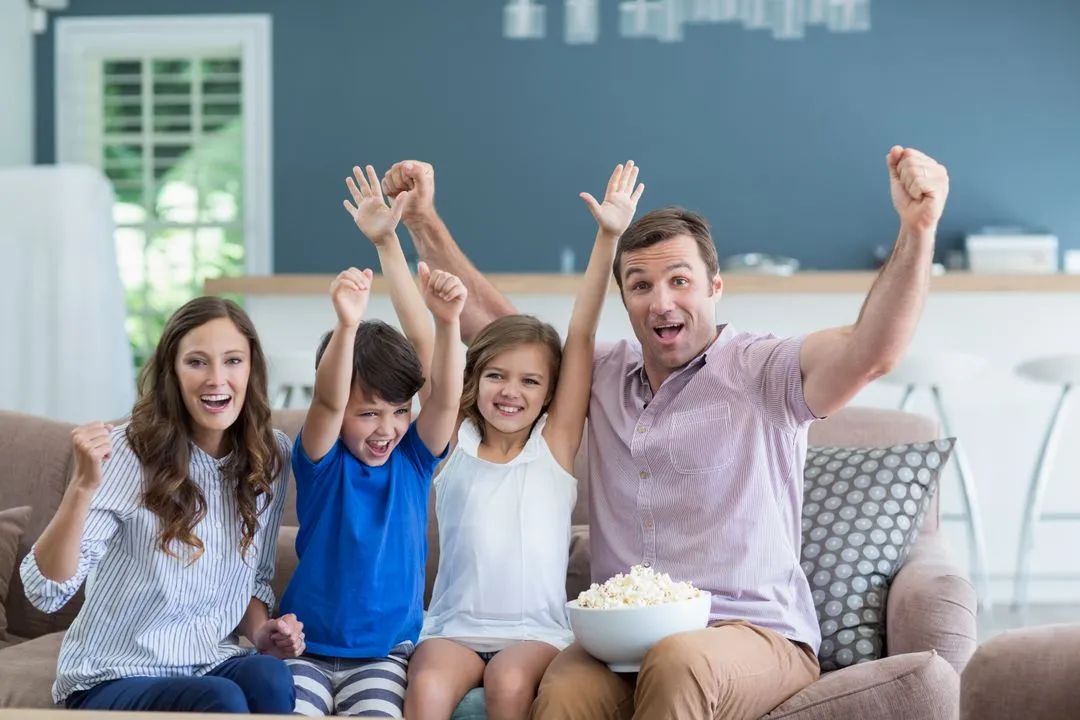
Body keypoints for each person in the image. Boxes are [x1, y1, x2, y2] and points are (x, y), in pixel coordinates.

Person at [380, 146, 950, 719]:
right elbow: (502, 337)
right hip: (618, 640)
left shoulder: (764, 369)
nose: (662, 301)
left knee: (678, 661)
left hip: (750, 634)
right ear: (624, 298)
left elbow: (869, 352)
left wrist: (918, 230)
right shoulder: (604, 376)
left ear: (715, 287)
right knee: (565, 691)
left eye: (680, 280)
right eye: (641, 285)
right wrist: (423, 221)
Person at [405, 162, 645, 720]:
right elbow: (425, 339)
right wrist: (390, 246)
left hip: (535, 633)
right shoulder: (450, 441)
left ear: (549, 394)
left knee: (511, 684)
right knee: (427, 690)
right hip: (451, 629)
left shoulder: (554, 446)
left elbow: (580, 333)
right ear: (474, 379)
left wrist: (608, 236)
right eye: (496, 376)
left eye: (530, 381)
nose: (511, 392)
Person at [21, 296, 303, 714]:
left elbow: (250, 579)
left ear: (251, 369)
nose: (216, 379)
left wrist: (263, 633)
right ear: (172, 371)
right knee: (221, 699)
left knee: (270, 678)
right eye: (197, 362)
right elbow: (46, 590)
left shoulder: (268, 455)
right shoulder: (126, 451)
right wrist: (81, 486)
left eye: (232, 361)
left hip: (208, 662)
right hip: (115, 671)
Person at [278, 164, 466, 717]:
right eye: (368, 414)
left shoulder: (412, 461)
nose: (386, 428)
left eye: (397, 412)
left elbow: (445, 398)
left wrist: (450, 324)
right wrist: (346, 325)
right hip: (306, 651)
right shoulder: (320, 459)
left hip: (385, 656)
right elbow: (330, 403)